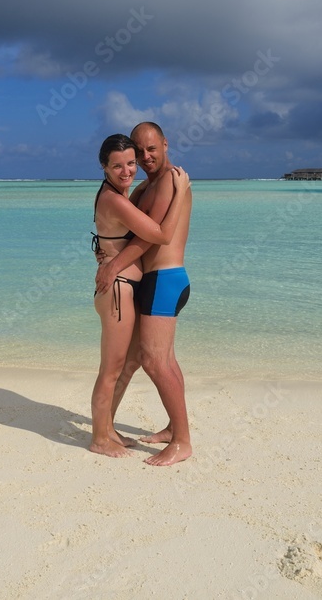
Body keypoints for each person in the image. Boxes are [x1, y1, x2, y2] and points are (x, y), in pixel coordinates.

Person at [96, 122, 193, 466]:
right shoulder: (142, 190)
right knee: (155, 358)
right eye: (140, 152)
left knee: (155, 361)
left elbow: (153, 237)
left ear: (165, 144)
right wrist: (104, 251)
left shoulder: (169, 182)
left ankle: (182, 441)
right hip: (151, 282)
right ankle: (167, 428)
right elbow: (124, 230)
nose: (146, 157)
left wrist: (112, 266)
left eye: (152, 149)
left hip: (164, 279)